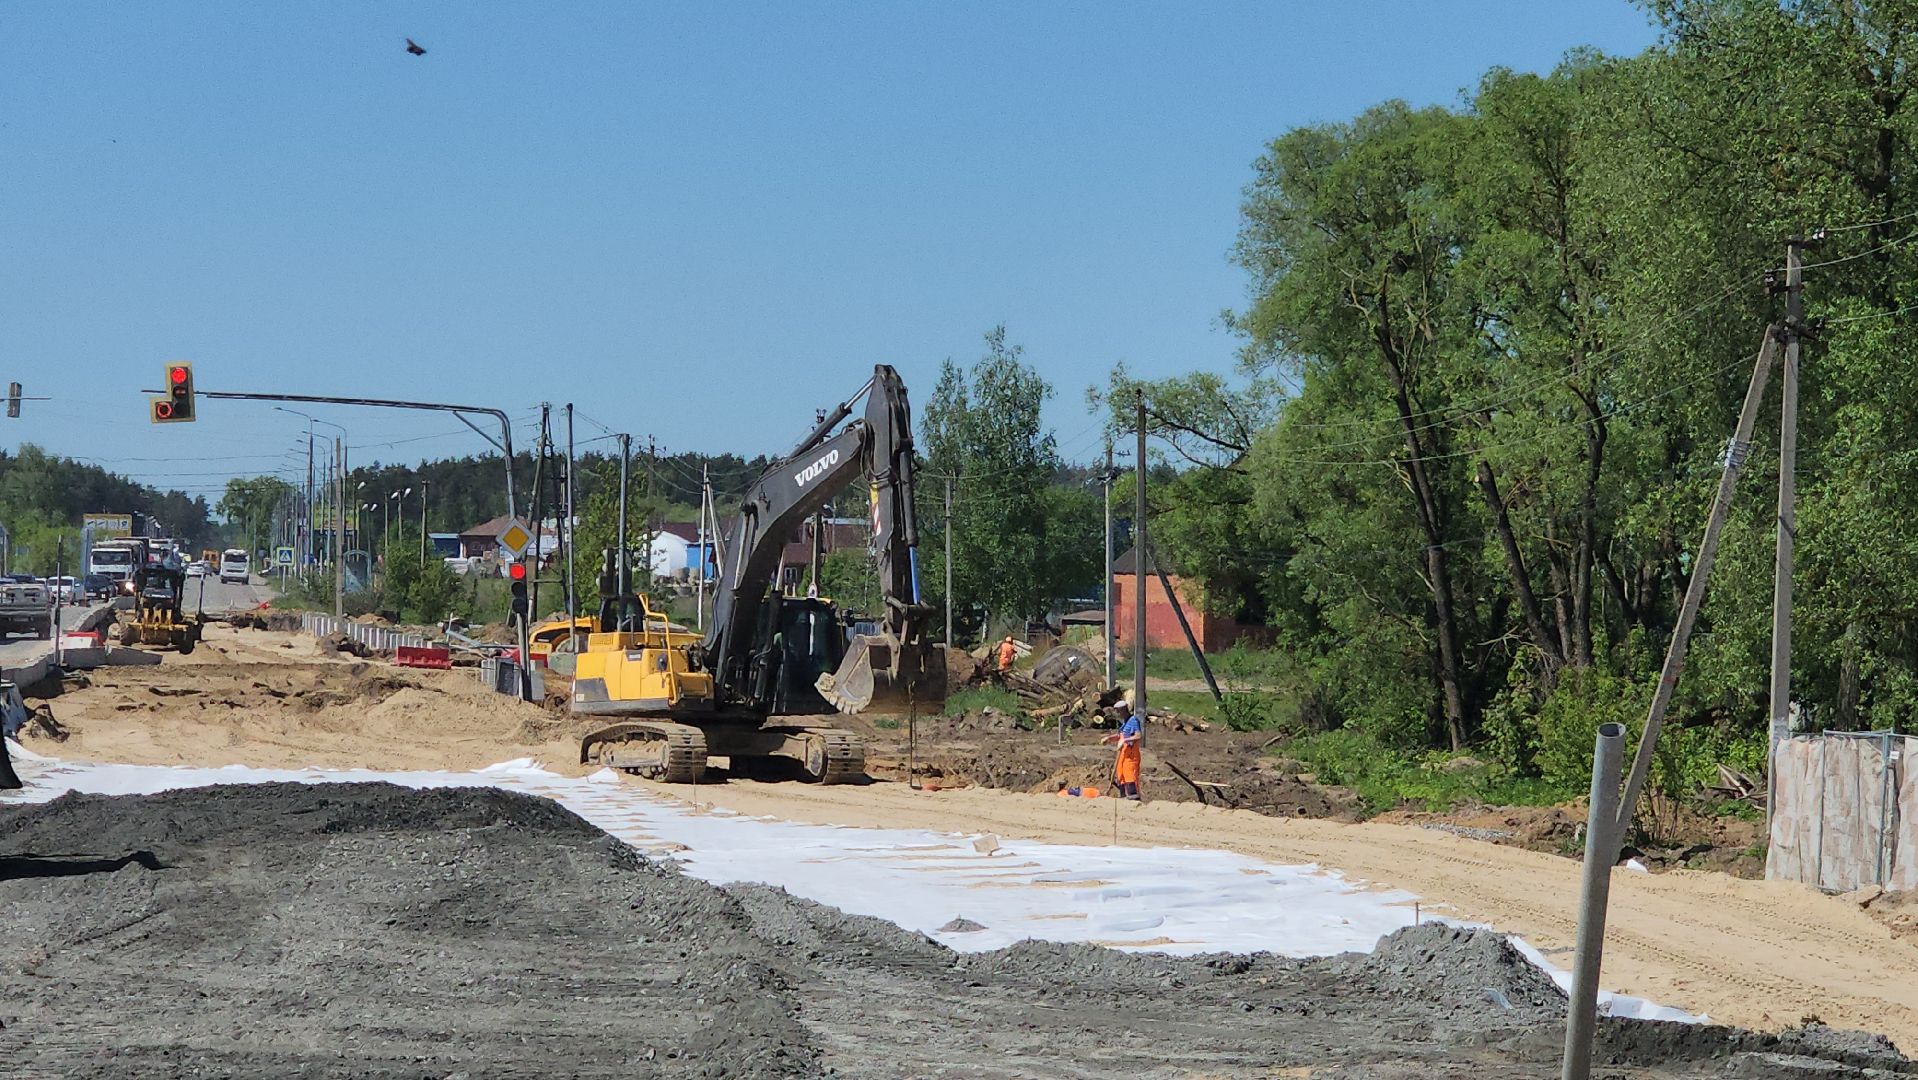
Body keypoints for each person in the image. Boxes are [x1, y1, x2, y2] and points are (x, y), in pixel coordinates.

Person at [1103, 711, 1143, 800]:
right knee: (1121, 776)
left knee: (1130, 776)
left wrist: (1125, 740)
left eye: (1119, 710)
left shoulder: (1133, 720)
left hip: (1131, 755)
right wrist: (1109, 738)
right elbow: (1120, 736)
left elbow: (1138, 735)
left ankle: (1133, 798)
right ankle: (1123, 797)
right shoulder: (1125, 722)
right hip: (1123, 754)